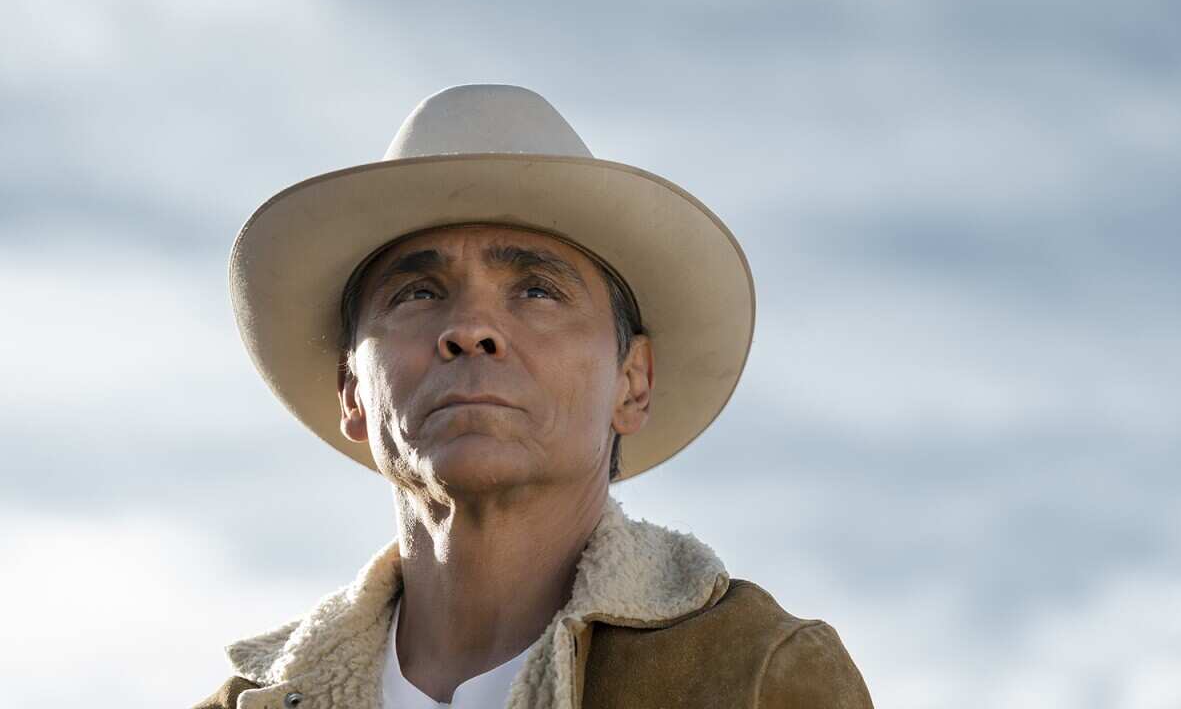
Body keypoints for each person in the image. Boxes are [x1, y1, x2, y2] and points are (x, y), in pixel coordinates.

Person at [198, 84, 873, 708]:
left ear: (632, 382)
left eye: (537, 291)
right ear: (352, 391)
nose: (469, 330)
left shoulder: (755, 675)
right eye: (418, 293)